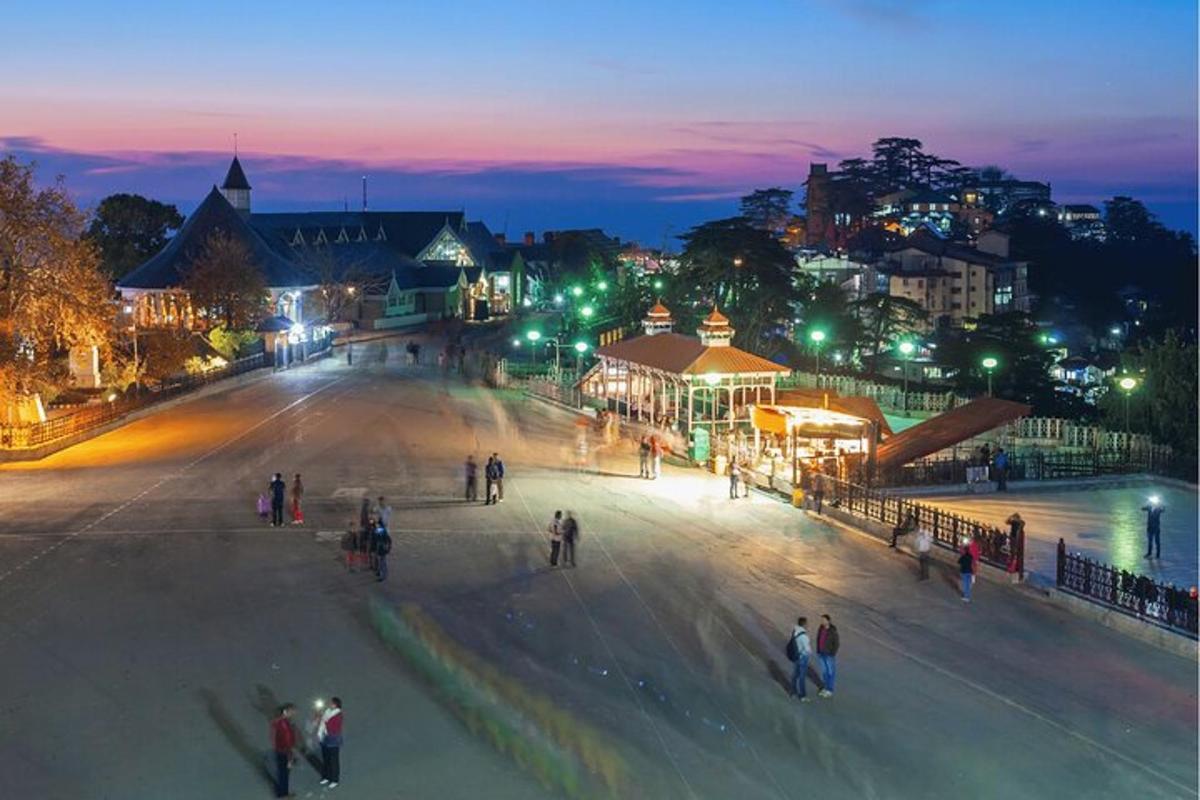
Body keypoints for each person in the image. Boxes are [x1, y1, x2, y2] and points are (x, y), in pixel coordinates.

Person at [270, 703, 297, 798]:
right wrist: (290, 754)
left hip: (280, 750)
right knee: (284, 773)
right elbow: (287, 738)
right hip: (284, 751)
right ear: (285, 712)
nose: (293, 713)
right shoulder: (283, 723)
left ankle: (282, 792)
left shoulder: (279, 722)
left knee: (283, 772)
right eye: (291, 711)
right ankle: (284, 794)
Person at [317, 697, 344, 788]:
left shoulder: (338, 715)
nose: (329, 704)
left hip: (333, 739)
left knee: (333, 760)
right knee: (326, 759)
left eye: (331, 703)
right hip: (325, 738)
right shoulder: (327, 712)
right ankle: (326, 777)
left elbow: (334, 728)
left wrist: (323, 719)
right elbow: (322, 722)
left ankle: (334, 779)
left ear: (336, 705)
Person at [786, 617, 812, 702]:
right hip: (802, 657)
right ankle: (803, 696)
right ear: (804, 624)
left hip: (796, 656)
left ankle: (792, 691)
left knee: (795, 675)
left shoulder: (795, 631)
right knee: (802, 677)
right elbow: (807, 650)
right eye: (807, 623)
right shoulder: (804, 636)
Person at [815, 614, 839, 698]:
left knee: (830, 672)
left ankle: (830, 689)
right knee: (824, 672)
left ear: (828, 621)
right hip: (821, 653)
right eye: (822, 620)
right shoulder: (821, 628)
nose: (822, 621)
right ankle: (825, 688)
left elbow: (836, 644)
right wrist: (818, 650)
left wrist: (832, 653)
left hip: (828, 654)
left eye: (824, 620)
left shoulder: (833, 631)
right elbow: (818, 639)